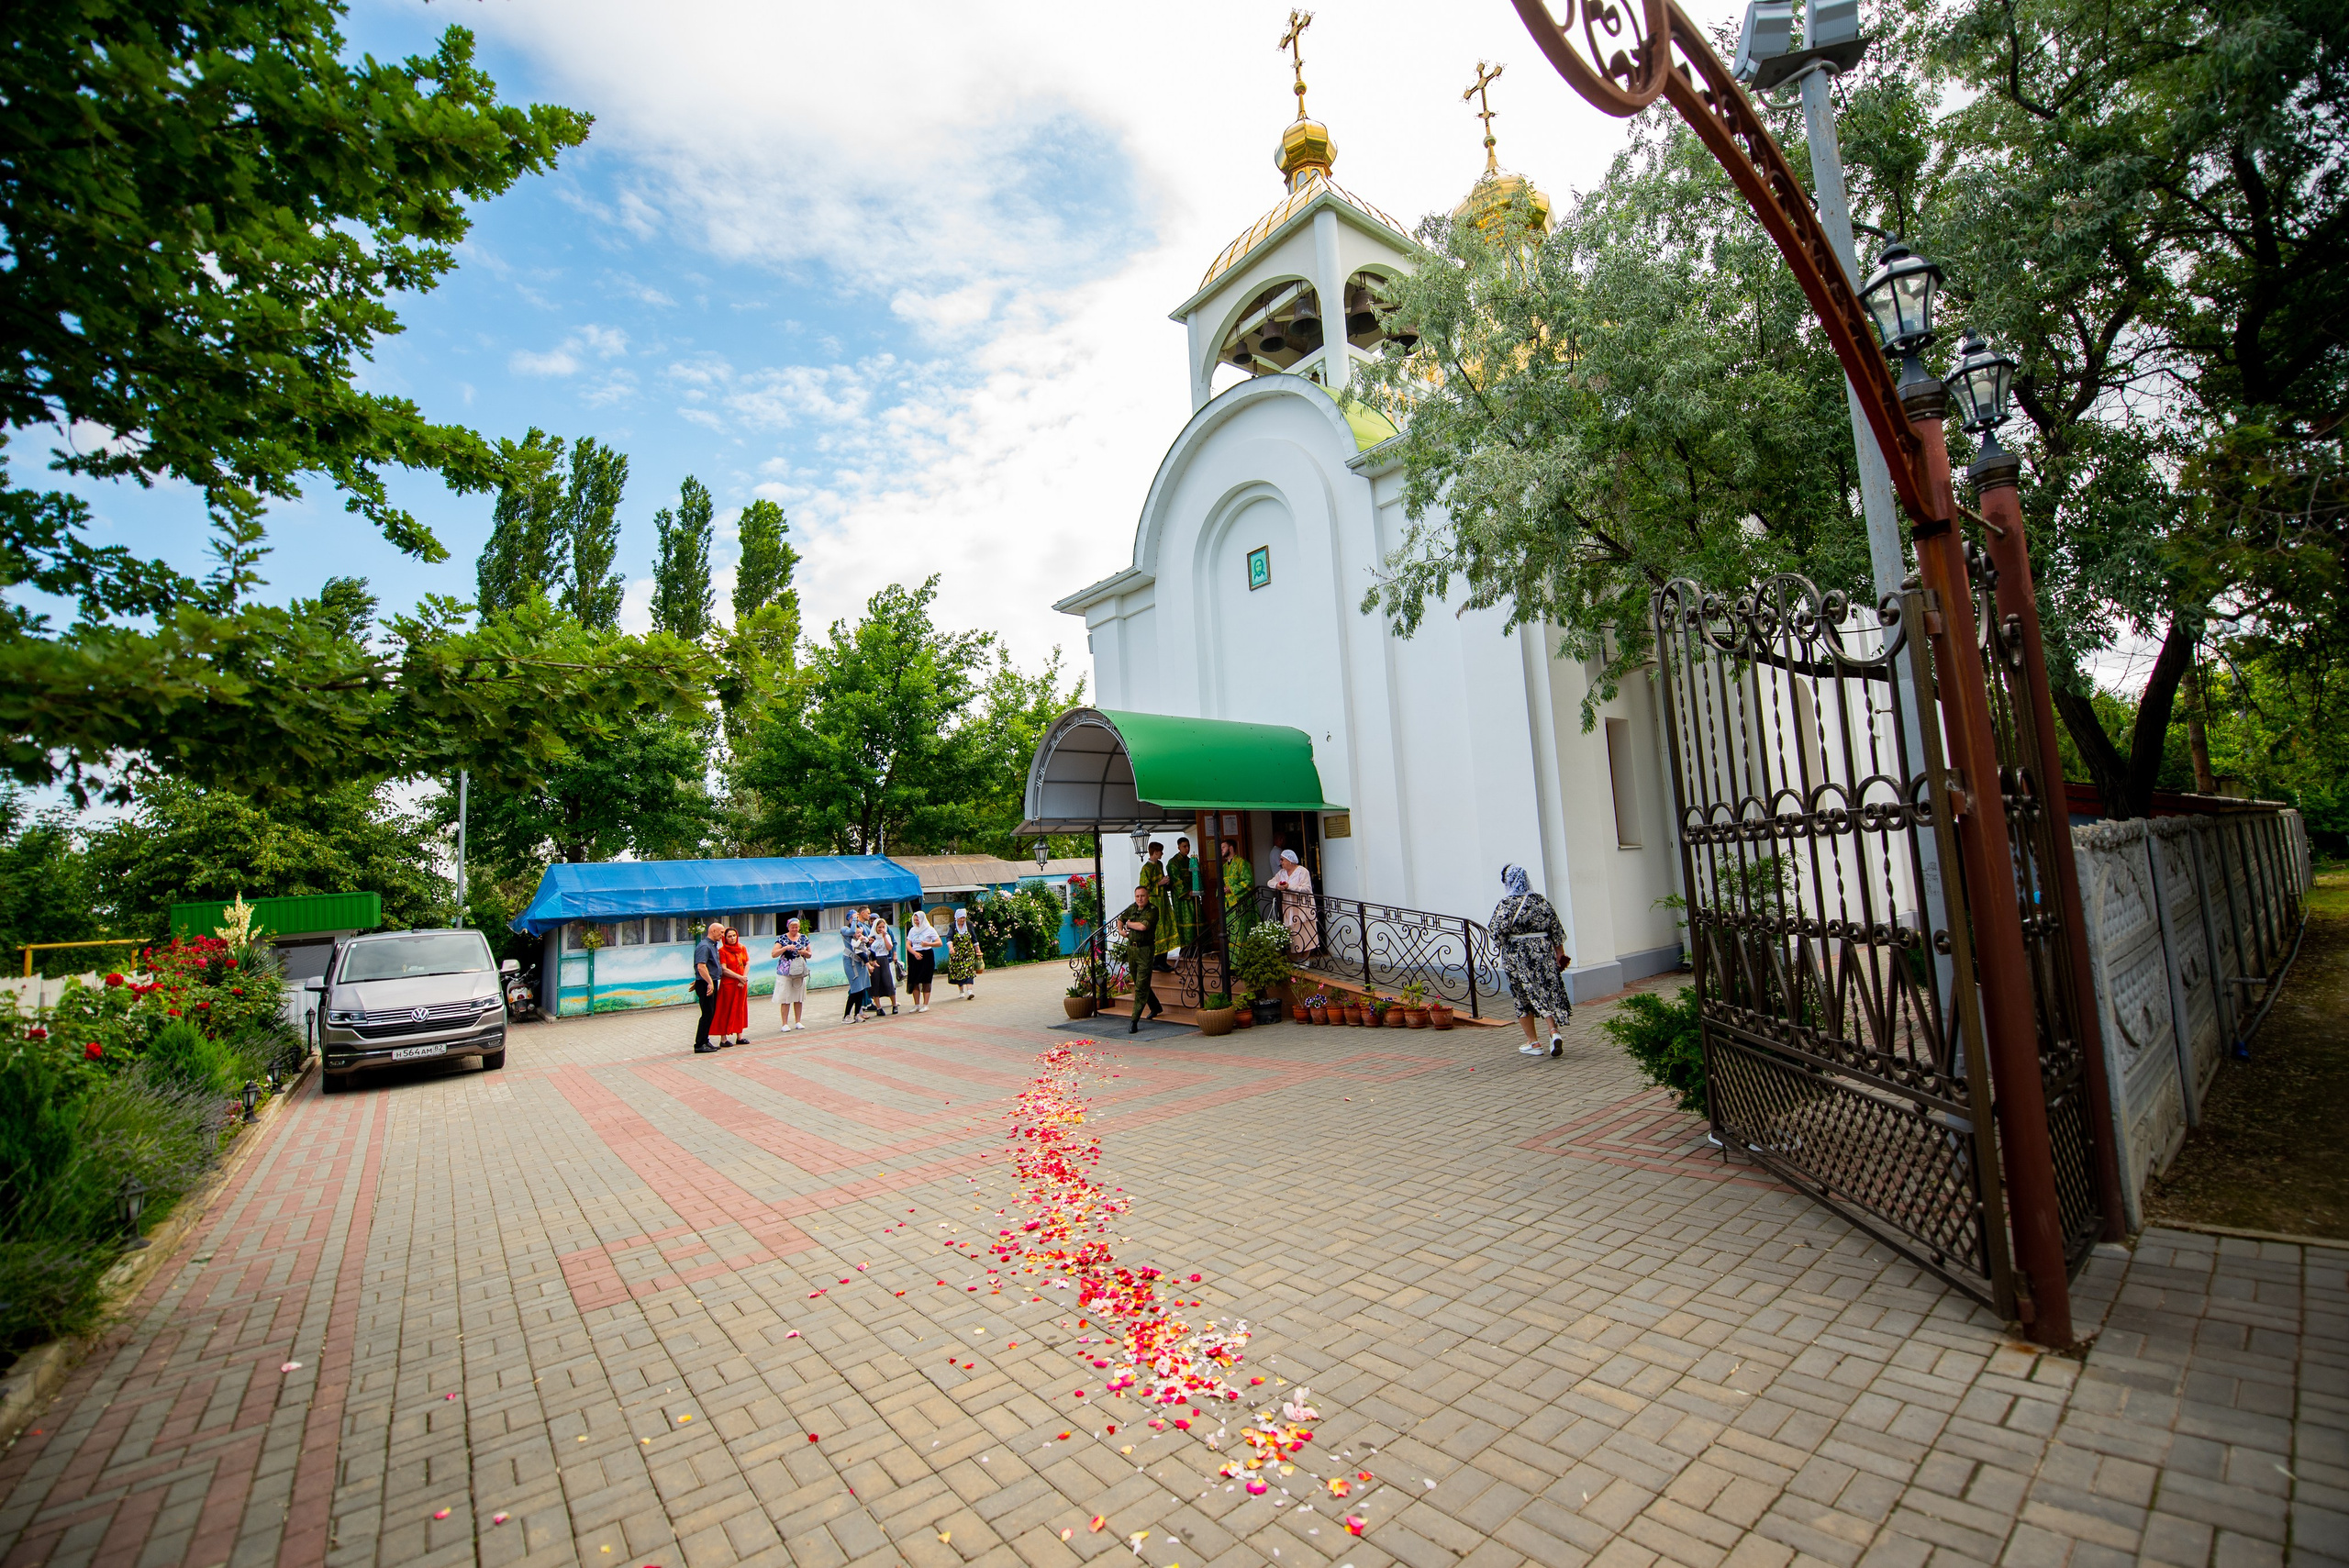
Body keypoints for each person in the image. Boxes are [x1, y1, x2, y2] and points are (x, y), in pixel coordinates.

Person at [1491, 863, 1573, 1058]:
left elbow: (1497, 933)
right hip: (1543, 953)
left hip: (1517, 956)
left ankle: (1533, 1042)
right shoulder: (1541, 901)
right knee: (1545, 991)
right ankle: (1554, 1032)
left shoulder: (1506, 905)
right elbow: (1556, 929)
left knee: (1522, 997)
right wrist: (1560, 953)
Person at [1118, 889, 1164, 1033]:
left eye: (1142, 896)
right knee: (1139, 981)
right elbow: (1121, 918)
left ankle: (1134, 1020)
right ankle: (1155, 1006)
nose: (1140, 899)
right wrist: (1121, 930)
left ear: (1147, 896)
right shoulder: (1132, 907)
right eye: (1137, 896)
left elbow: (1143, 926)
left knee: (1141, 986)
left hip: (1145, 950)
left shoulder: (1152, 910)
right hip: (1132, 950)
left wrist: (1130, 925)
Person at [1136, 843, 1179, 971]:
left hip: (1164, 902)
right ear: (1155, 852)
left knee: (1166, 928)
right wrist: (1160, 883)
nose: (1162, 854)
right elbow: (1144, 889)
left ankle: (1163, 961)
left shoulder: (1160, 865)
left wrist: (1166, 882)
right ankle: (1157, 961)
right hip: (1154, 904)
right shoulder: (1146, 869)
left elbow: (1162, 883)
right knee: (1158, 931)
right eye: (1161, 852)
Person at [1269, 849, 1317, 955]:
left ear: (1290, 861)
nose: (1280, 862)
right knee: (1293, 933)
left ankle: (1305, 958)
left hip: (1302, 905)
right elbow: (1270, 882)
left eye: (1282, 860)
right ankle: (1296, 957)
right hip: (1288, 906)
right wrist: (1277, 885)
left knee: (1305, 932)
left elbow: (1307, 889)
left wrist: (1289, 887)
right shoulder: (1281, 873)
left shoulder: (1303, 871)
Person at [690, 919, 724, 1053]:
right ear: (713, 931)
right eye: (721, 932)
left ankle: (705, 1040)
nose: (722, 935)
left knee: (711, 1012)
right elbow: (701, 966)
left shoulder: (713, 945)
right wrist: (708, 982)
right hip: (706, 983)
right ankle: (699, 1044)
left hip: (710, 981)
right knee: (707, 1013)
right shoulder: (704, 946)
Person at [713, 926, 750, 1046]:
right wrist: (739, 977)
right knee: (725, 1009)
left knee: (740, 1009)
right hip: (729, 985)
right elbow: (724, 969)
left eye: (734, 936)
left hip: (741, 984)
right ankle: (723, 1039)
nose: (732, 938)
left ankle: (740, 1036)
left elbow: (747, 963)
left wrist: (743, 978)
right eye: (729, 936)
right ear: (725, 938)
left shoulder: (742, 948)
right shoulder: (722, 951)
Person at [773, 917, 811, 1031]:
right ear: (788, 927)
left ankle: (798, 1021)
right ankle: (784, 1023)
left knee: (798, 997)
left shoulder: (804, 937)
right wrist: (785, 948)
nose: (794, 929)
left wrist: (804, 952)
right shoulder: (782, 938)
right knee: (786, 997)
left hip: (799, 971)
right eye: (792, 927)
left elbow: (810, 954)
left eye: (796, 927)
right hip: (785, 972)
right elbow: (774, 954)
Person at [1167, 837, 1201, 959]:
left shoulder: (1191, 860)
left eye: (1188, 846)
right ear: (1179, 847)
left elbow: (1196, 876)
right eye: (1184, 846)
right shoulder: (1173, 862)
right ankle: (1186, 948)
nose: (1187, 849)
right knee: (1186, 922)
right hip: (1182, 898)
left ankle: (1197, 947)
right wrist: (1187, 892)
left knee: (1196, 918)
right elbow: (1176, 880)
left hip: (1194, 895)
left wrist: (1197, 889)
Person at [905, 910, 941, 1010]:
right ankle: (916, 1004)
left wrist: (928, 944)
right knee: (914, 980)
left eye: (918, 920)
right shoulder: (912, 930)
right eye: (915, 920)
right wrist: (915, 953)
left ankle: (925, 1004)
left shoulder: (929, 929)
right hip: (915, 956)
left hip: (927, 955)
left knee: (926, 980)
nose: (916, 922)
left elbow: (939, 943)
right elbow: (908, 944)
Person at [946, 907, 983, 1000]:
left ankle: (970, 991)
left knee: (969, 970)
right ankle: (961, 990)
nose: (962, 920)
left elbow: (974, 938)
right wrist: (951, 948)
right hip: (956, 954)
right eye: (961, 918)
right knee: (958, 972)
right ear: (957, 918)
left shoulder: (969, 925)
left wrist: (977, 950)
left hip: (968, 953)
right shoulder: (953, 926)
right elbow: (949, 938)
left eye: (964, 918)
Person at [866, 915, 900, 1015]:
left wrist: (885, 937)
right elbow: (867, 950)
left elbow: (889, 947)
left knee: (888, 982)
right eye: (879, 927)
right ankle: (879, 1008)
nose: (881, 929)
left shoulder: (887, 936)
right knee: (875, 983)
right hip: (874, 961)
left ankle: (894, 1005)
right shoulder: (871, 938)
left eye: (883, 927)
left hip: (884, 959)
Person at [842, 919, 873, 1021]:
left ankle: (857, 1014)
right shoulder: (846, 932)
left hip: (860, 963)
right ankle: (846, 1015)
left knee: (861, 989)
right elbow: (851, 933)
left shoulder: (860, 932)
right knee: (855, 990)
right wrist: (854, 921)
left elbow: (867, 940)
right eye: (853, 918)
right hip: (851, 963)